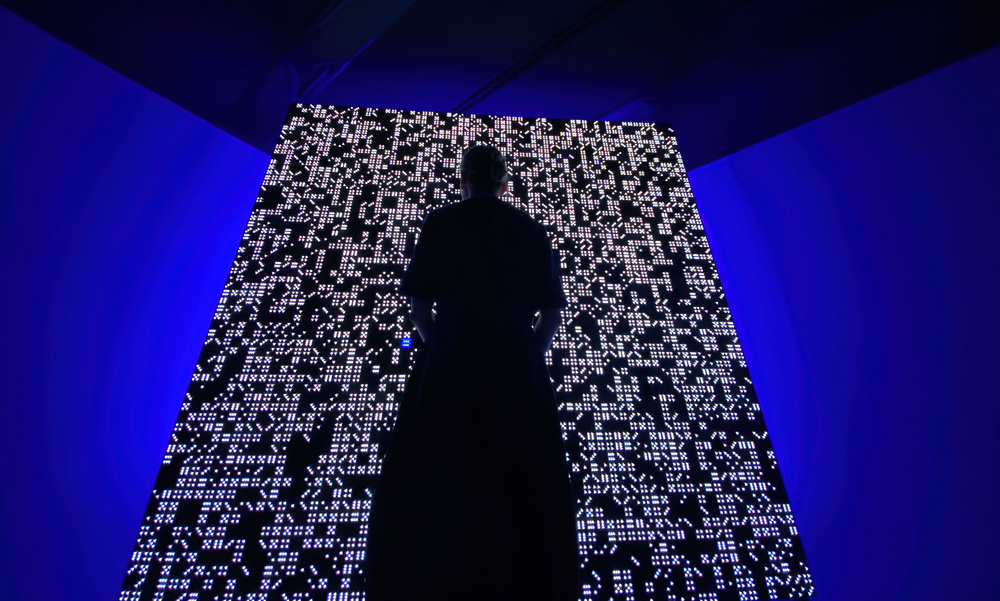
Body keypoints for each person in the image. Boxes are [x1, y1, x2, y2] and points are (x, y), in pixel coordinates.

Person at [365, 145, 579, 601]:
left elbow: (419, 307)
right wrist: (528, 357)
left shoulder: (440, 224)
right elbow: (551, 315)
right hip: (516, 373)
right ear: (503, 184)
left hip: (449, 372)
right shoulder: (530, 230)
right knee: (519, 481)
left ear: (462, 179)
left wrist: (442, 348)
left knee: (441, 477)